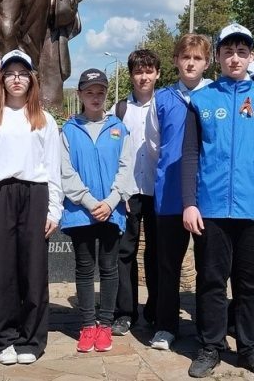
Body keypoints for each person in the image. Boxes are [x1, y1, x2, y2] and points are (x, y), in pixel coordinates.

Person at [180, 23, 254, 380]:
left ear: (251, 57)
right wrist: (190, 203)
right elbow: (190, 154)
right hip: (210, 208)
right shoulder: (202, 100)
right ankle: (210, 346)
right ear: (218, 57)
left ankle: (249, 348)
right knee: (211, 280)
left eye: (242, 52)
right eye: (228, 52)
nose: (235, 58)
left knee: (252, 283)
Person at [0, 50, 63, 365]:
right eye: (10, 73)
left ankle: (31, 339)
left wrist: (54, 209)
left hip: (34, 195)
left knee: (33, 269)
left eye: (23, 73)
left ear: (32, 79)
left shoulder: (44, 120)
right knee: (0, 269)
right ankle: (1, 337)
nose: (16, 79)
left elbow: (53, 168)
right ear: (2, 80)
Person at [145, 33, 213, 351]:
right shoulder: (161, 98)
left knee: (209, 266)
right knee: (168, 265)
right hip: (170, 194)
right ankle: (166, 326)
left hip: (208, 195)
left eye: (197, 58)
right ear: (175, 61)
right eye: (186, 57)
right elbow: (154, 145)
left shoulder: (215, 96)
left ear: (207, 63)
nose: (191, 63)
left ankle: (208, 327)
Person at [61, 69, 134, 353]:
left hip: (111, 210)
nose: (95, 97)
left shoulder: (118, 128)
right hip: (81, 212)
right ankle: (87, 325)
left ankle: (105, 324)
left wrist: (111, 201)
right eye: (89, 92)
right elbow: (65, 171)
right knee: (84, 268)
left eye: (100, 92)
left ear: (106, 95)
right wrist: (90, 202)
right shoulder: (69, 130)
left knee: (109, 267)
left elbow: (126, 168)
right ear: (80, 94)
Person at [109, 49, 162, 335]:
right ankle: (125, 312)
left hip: (158, 190)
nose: (144, 77)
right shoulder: (119, 110)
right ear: (131, 75)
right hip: (128, 193)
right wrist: (118, 191)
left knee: (156, 252)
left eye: (149, 71)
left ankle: (155, 309)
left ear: (158, 74)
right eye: (138, 71)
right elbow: (112, 151)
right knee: (125, 252)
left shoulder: (165, 105)